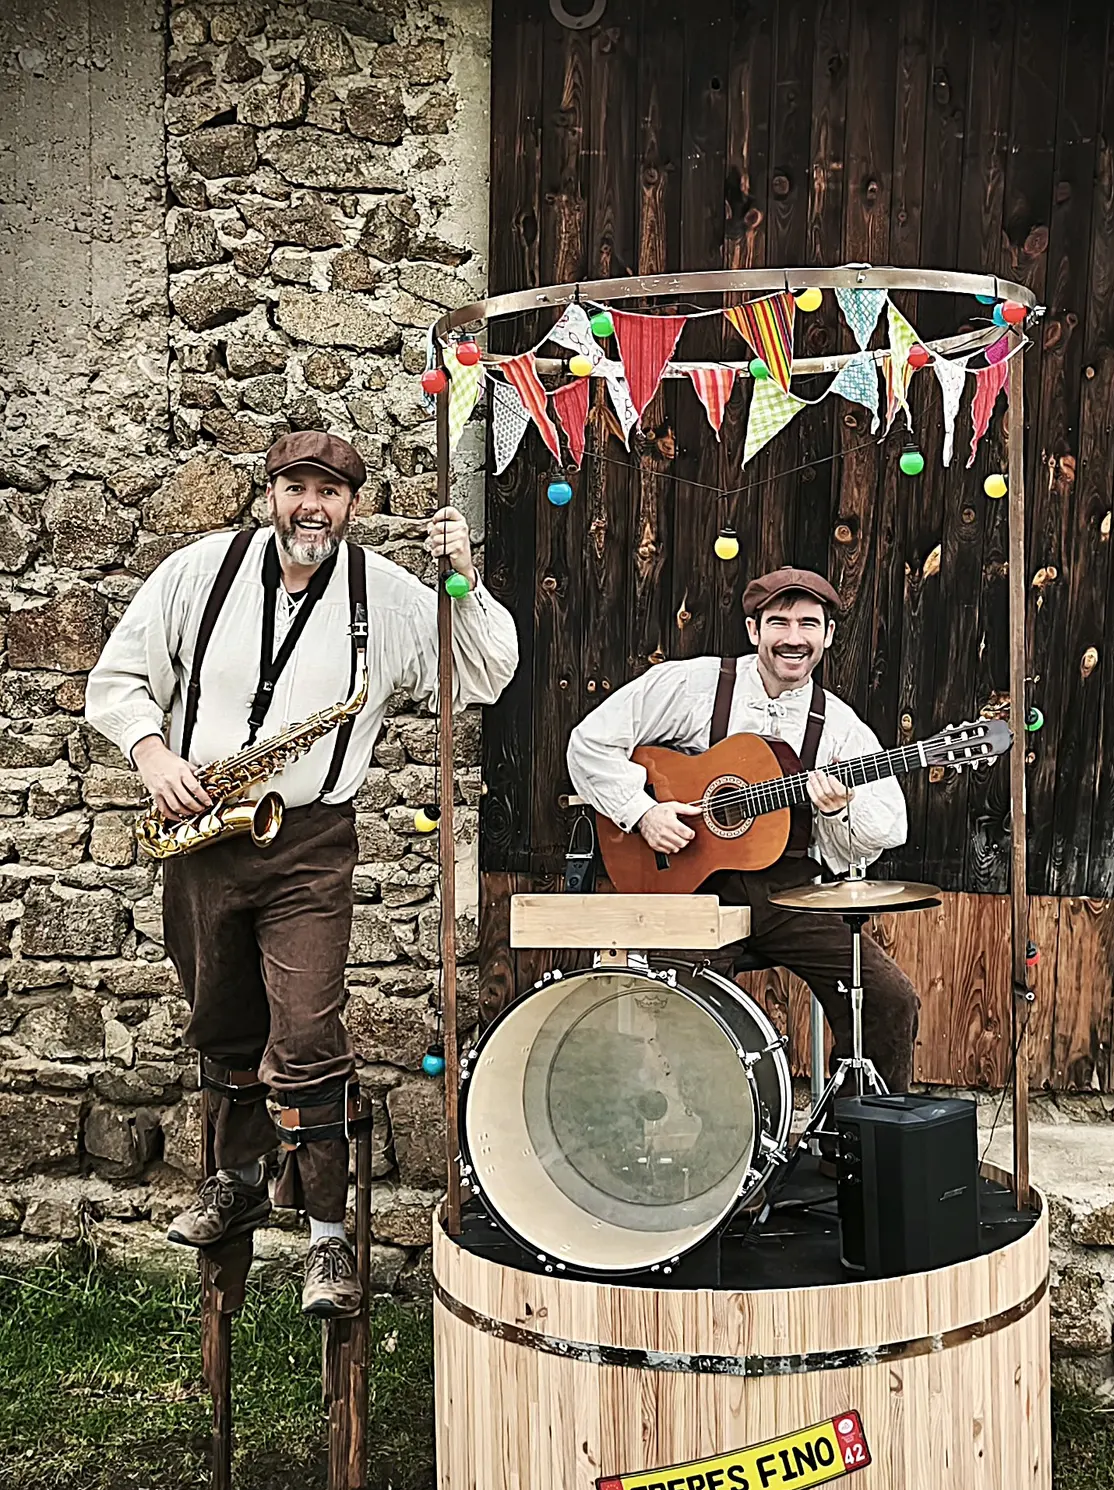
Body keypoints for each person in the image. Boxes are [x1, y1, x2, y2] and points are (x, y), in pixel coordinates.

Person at [86, 430, 518, 1316]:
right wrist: (151, 752)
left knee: (309, 1033)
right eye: (295, 487)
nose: (311, 506)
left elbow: (483, 672)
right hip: (201, 826)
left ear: (352, 505)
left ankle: (327, 1240)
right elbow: (119, 677)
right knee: (222, 1020)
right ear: (269, 493)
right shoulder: (200, 570)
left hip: (311, 840)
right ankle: (238, 1181)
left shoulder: (387, 595)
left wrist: (463, 577)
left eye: (330, 491)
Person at [566, 565, 919, 1091]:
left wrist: (839, 809)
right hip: (689, 889)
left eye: (808, 624)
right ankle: (698, 1149)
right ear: (754, 631)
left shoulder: (840, 726)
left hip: (792, 897)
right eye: (779, 622)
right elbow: (589, 742)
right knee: (678, 1011)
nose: (793, 638)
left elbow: (889, 826)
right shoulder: (691, 685)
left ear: (828, 636)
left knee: (889, 998)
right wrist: (643, 813)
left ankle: (857, 1145)